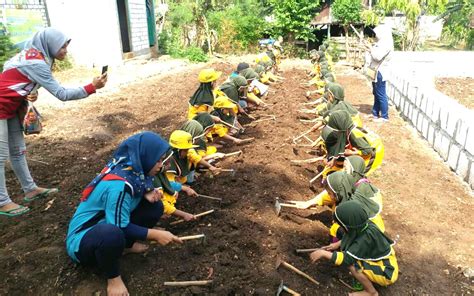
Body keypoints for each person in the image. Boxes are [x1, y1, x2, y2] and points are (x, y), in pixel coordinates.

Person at [0, 28, 107, 217]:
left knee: (18, 152)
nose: (66, 50)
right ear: (50, 45)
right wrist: (92, 87)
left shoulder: (32, 55)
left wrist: (28, 91)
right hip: (2, 107)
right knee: (0, 157)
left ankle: (30, 189)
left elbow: (10, 72)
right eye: (62, 46)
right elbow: (62, 94)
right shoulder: (37, 63)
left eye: (66, 45)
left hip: (11, 108)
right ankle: (2, 202)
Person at [66, 132, 182, 296]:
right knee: (111, 234)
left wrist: (145, 192)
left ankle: (125, 246)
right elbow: (118, 225)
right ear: (144, 157)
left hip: (108, 223)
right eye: (157, 160)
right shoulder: (119, 186)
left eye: (161, 160)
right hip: (84, 240)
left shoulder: (131, 169)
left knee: (155, 207)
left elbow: (140, 183)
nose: (160, 165)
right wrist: (154, 234)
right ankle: (113, 278)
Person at [310, 201, 398, 295]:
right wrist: (336, 245)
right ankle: (367, 277)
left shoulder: (363, 240)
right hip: (384, 263)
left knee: (353, 266)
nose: (341, 228)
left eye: (342, 226)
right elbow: (351, 236)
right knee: (354, 262)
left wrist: (323, 253)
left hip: (386, 272)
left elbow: (346, 259)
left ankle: (371, 292)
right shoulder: (366, 226)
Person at [321, 110, 383, 175]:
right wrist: (333, 160)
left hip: (374, 151)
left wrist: (353, 152)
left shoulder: (354, 133)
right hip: (364, 147)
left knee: (358, 173)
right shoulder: (345, 130)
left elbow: (368, 150)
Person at [366, 24, 394, 122]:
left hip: (380, 72)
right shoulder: (382, 42)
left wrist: (370, 48)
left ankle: (384, 116)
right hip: (376, 71)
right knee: (376, 93)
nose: (375, 35)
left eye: (377, 33)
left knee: (381, 94)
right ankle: (375, 113)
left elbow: (377, 57)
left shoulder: (386, 43)